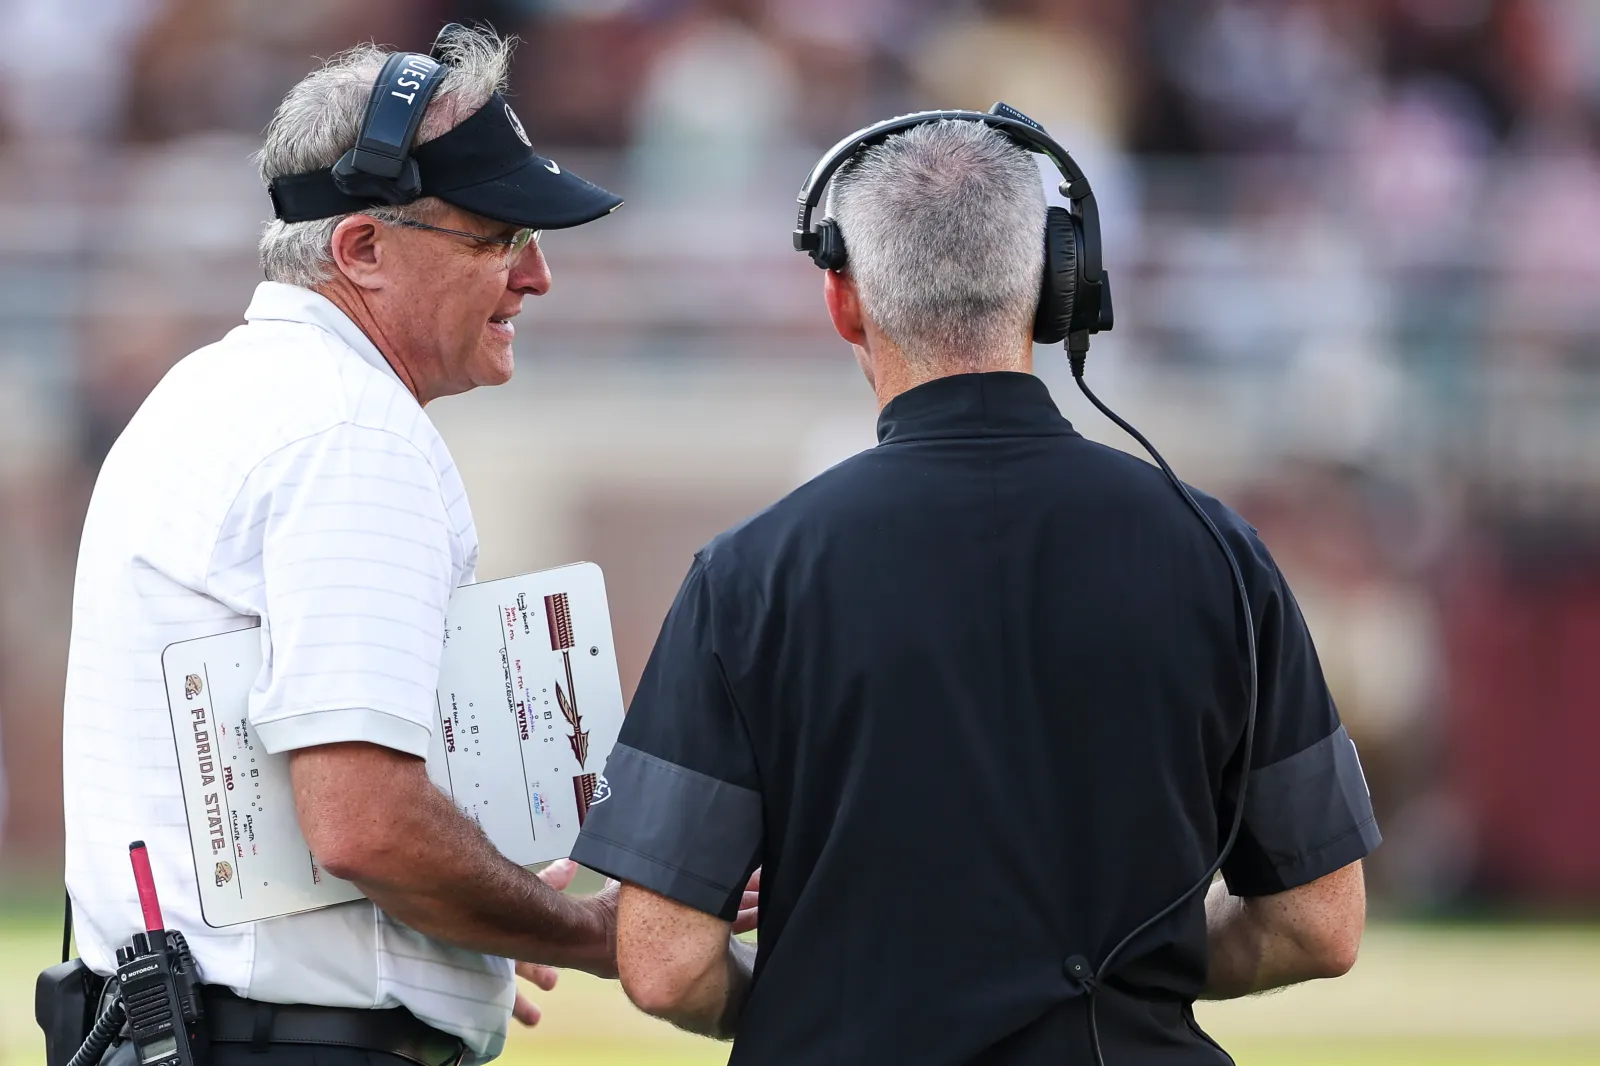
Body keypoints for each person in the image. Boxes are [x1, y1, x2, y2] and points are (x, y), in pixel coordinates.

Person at [569, 118, 1380, 1064]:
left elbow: (664, 963)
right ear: (1054, 286)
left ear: (841, 299)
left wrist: (812, 999)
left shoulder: (747, 577)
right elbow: (1321, 924)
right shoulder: (1221, 554)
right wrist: (1131, 971)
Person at [62, 25, 642, 1066]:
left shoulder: (210, 391)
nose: (538, 277)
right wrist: (587, 933)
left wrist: (450, 932)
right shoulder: (352, 432)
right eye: (499, 237)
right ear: (362, 250)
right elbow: (364, 823)